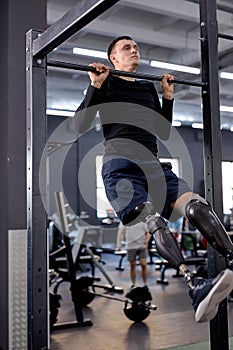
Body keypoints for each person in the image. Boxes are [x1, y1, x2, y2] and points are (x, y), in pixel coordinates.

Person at [74, 35, 233, 323]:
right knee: (154, 221)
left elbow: (161, 131)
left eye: (136, 46)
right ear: (113, 58)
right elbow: (80, 124)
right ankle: (194, 285)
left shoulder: (147, 87)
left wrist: (167, 97)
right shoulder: (106, 82)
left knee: (197, 206)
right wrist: (94, 85)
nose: (134, 50)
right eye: (126, 48)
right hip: (120, 165)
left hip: (152, 162)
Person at [116, 221, 151, 290]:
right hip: (130, 246)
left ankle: (145, 284)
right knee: (132, 265)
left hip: (142, 246)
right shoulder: (125, 220)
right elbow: (120, 233)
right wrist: (118, 245)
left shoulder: (142, 220)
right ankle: (133, 284)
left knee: (143, 264)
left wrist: (145, 243)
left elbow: (148, 234)